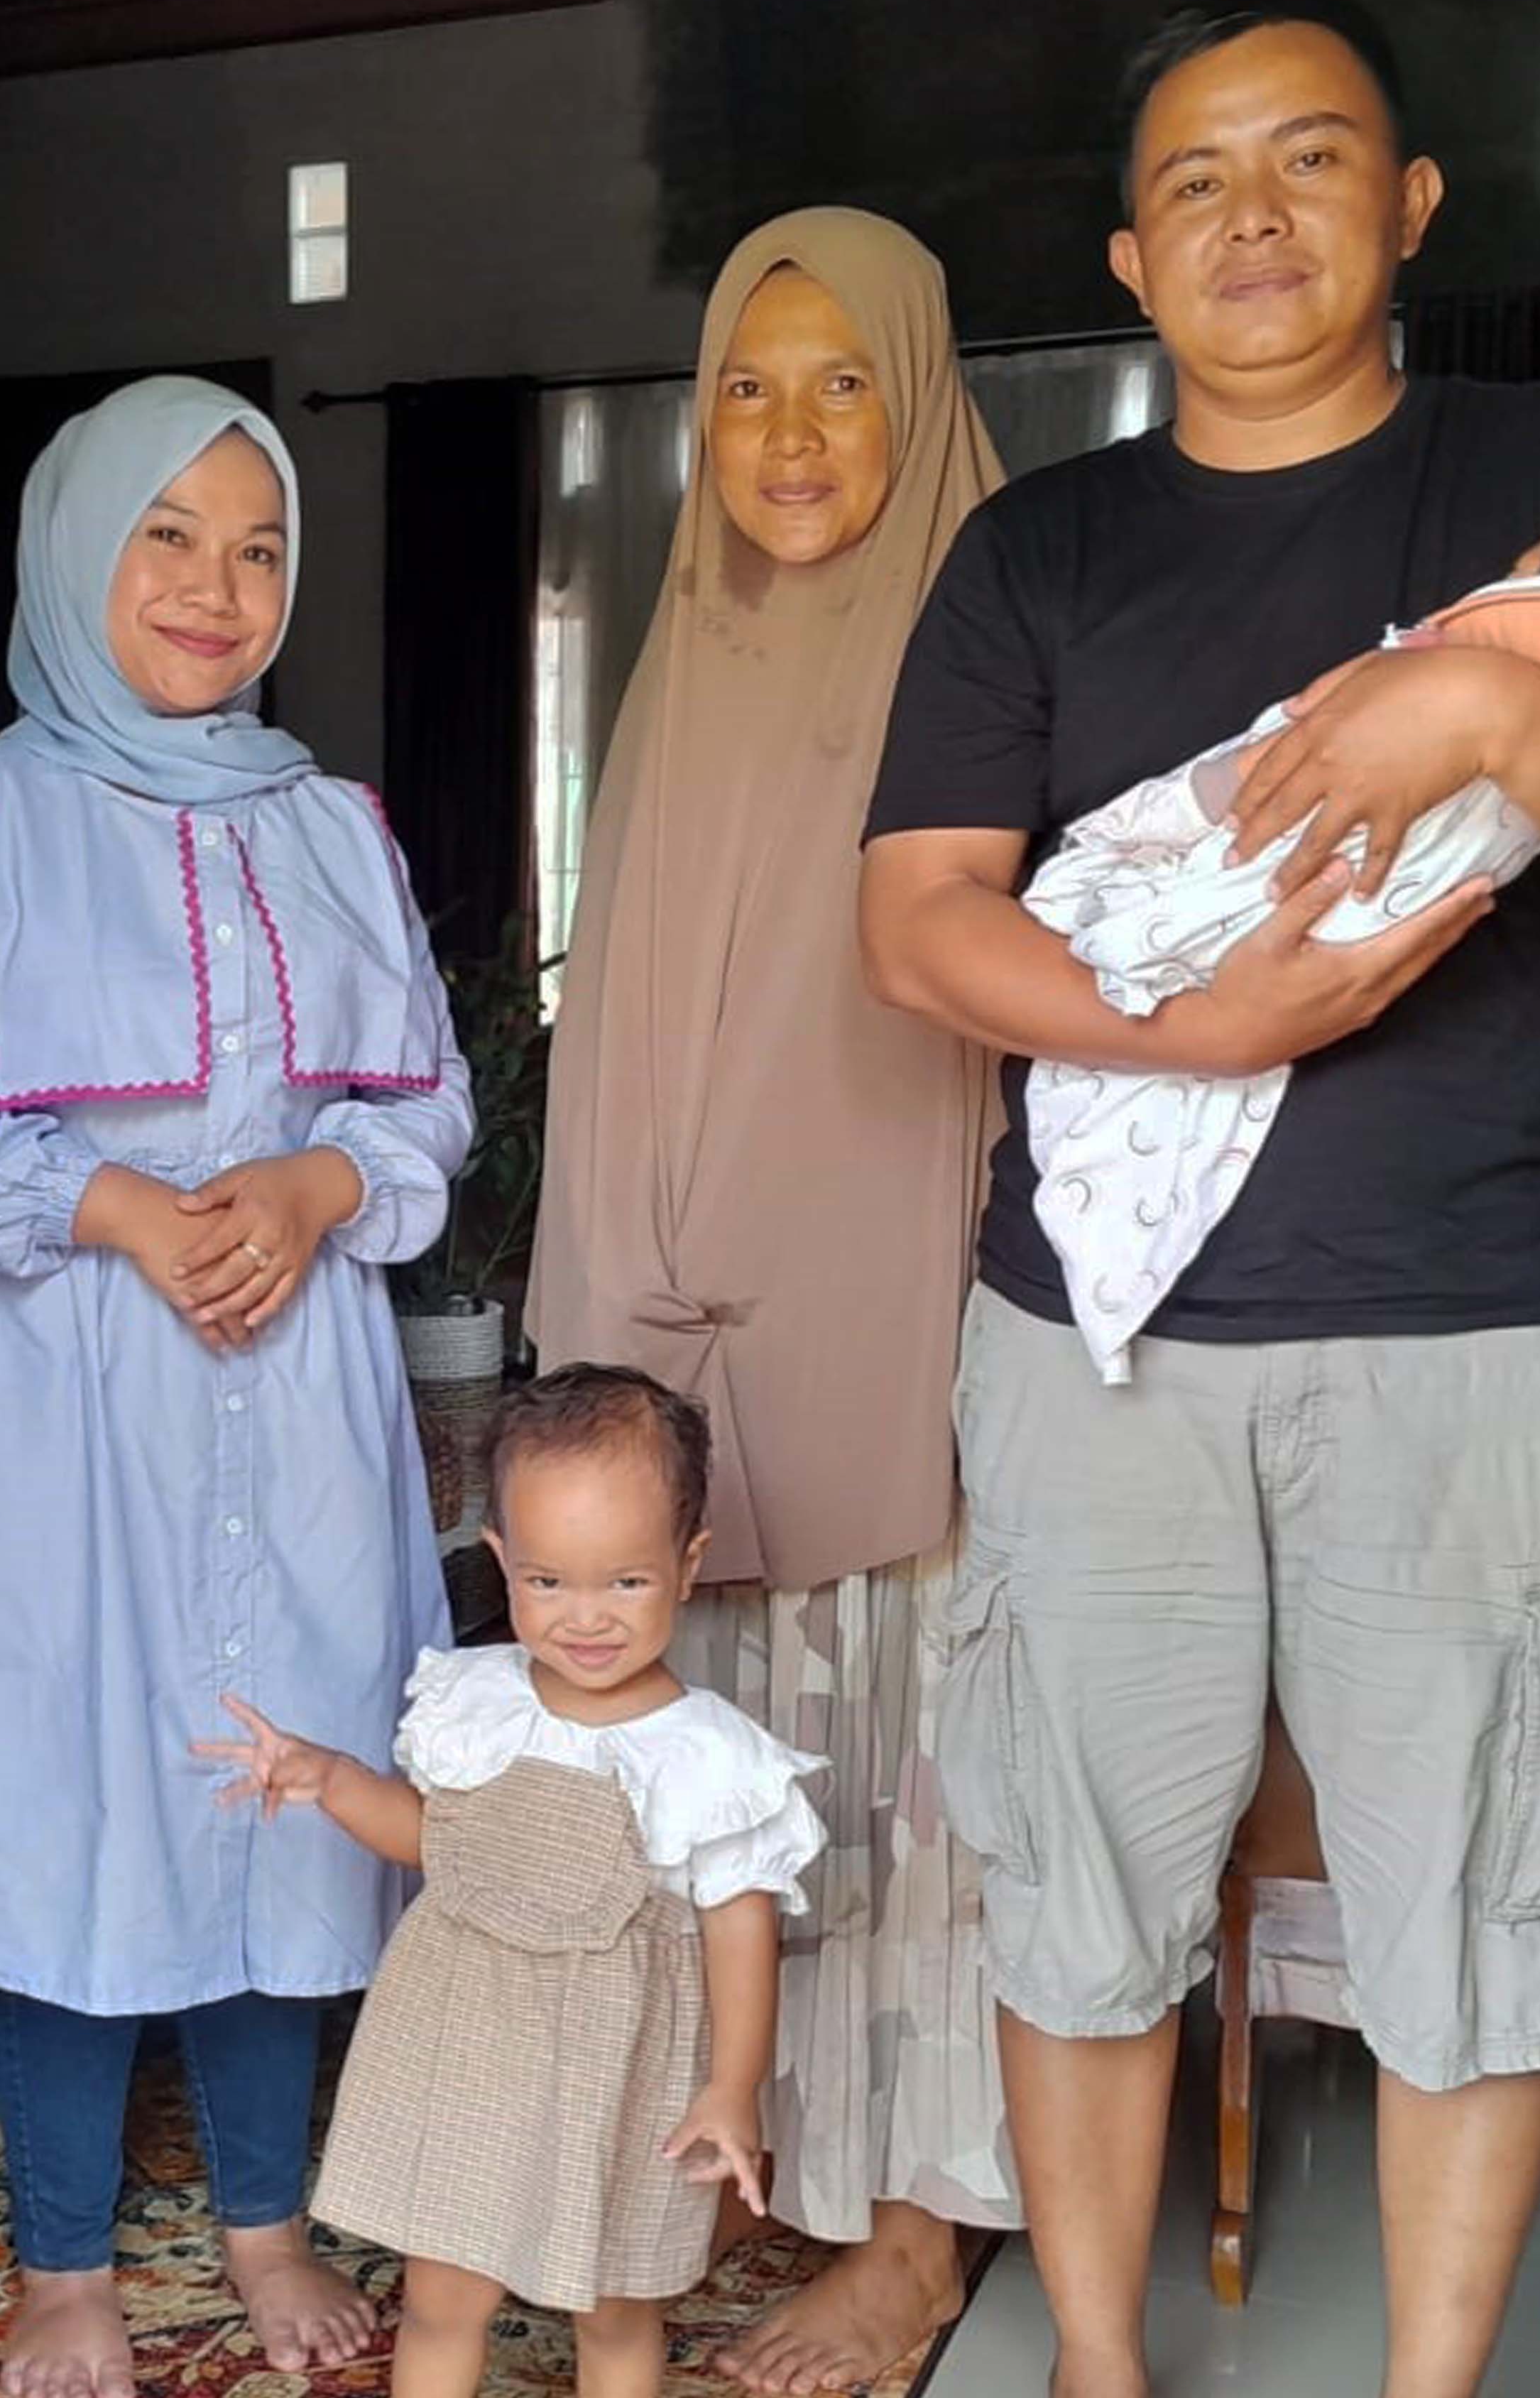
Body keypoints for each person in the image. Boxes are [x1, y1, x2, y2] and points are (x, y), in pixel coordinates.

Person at [857, 0, 1540, 2398]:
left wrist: (1489, 703)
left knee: (1471, 1899)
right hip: (1097, 1344)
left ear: (1413, 204)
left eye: (1309, 158)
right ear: (1130, 258)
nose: (1251, 215)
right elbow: (919, 919)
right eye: (1195, 179)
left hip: (1464, 1327)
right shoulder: (1039, 547)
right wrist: (1198, 1029)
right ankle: (1094, 2365)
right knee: (1078, 1887)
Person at [0, 376, 469, 2398]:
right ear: (75, 547)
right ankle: (66, 2263)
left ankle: (266, 2222)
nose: (217, 585)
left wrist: (317, 1182)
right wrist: (101, 1201)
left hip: (291, 1380)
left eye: (258, 548)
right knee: (70, 1793)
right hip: (51, 1392)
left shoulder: (331, 825)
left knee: (279, 1783)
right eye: (167, 536)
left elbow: (430, 1109)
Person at [526, 206, 1017, 2393]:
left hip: (902, 1311)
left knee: (916, 1776)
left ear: (922, 407)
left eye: (844, 386)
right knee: (717, 1763)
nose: (792, 435)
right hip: (669, 1319)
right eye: (746, 386)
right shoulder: (679, 656)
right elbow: (617, 1029)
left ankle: (916, 2237)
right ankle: (750, 2158)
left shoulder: (990, 645)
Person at [195, 1366, 829, 2398]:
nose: (587, 1618)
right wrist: (333, 1780)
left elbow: (738, 1928)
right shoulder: (475, 1704)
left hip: (623, 2071)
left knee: (616, 2310)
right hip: (471, 2049)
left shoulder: (708, 1759)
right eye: (548, 1583)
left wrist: (732, 2087)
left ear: (687, 1564)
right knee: (444, 2297)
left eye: (625, 1583)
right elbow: (439, 1843)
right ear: (503, 1562)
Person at [1022, 510, 1540, 1378]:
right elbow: (1289, 740)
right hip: (1229, 898)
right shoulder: (1417, 666)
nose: (1489, 599)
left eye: (1523, 585)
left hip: (1464, 1289)